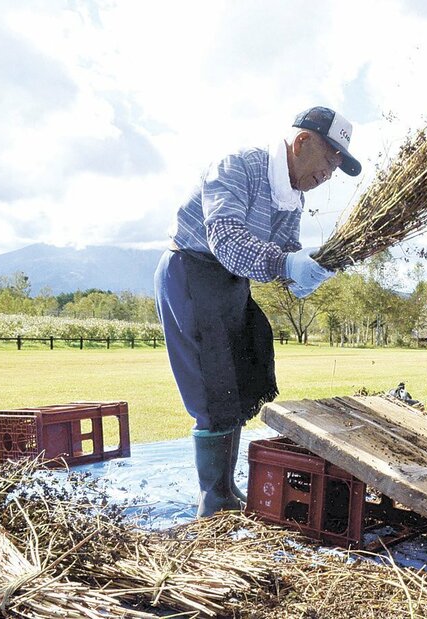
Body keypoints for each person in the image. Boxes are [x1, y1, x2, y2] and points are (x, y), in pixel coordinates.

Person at [154, 106, 361, 517]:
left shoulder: (292, 196)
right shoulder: (238, 168)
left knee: (241, 378)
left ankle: (226, 491)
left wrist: (307, 270)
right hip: (191, 273)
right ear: (302, 142)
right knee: (213, 390)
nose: (330, 172)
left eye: (339, 164)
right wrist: (286, 265)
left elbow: (283, 253)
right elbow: (227, 240)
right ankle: (213, 503)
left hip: (230, 284)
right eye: (329, 157)